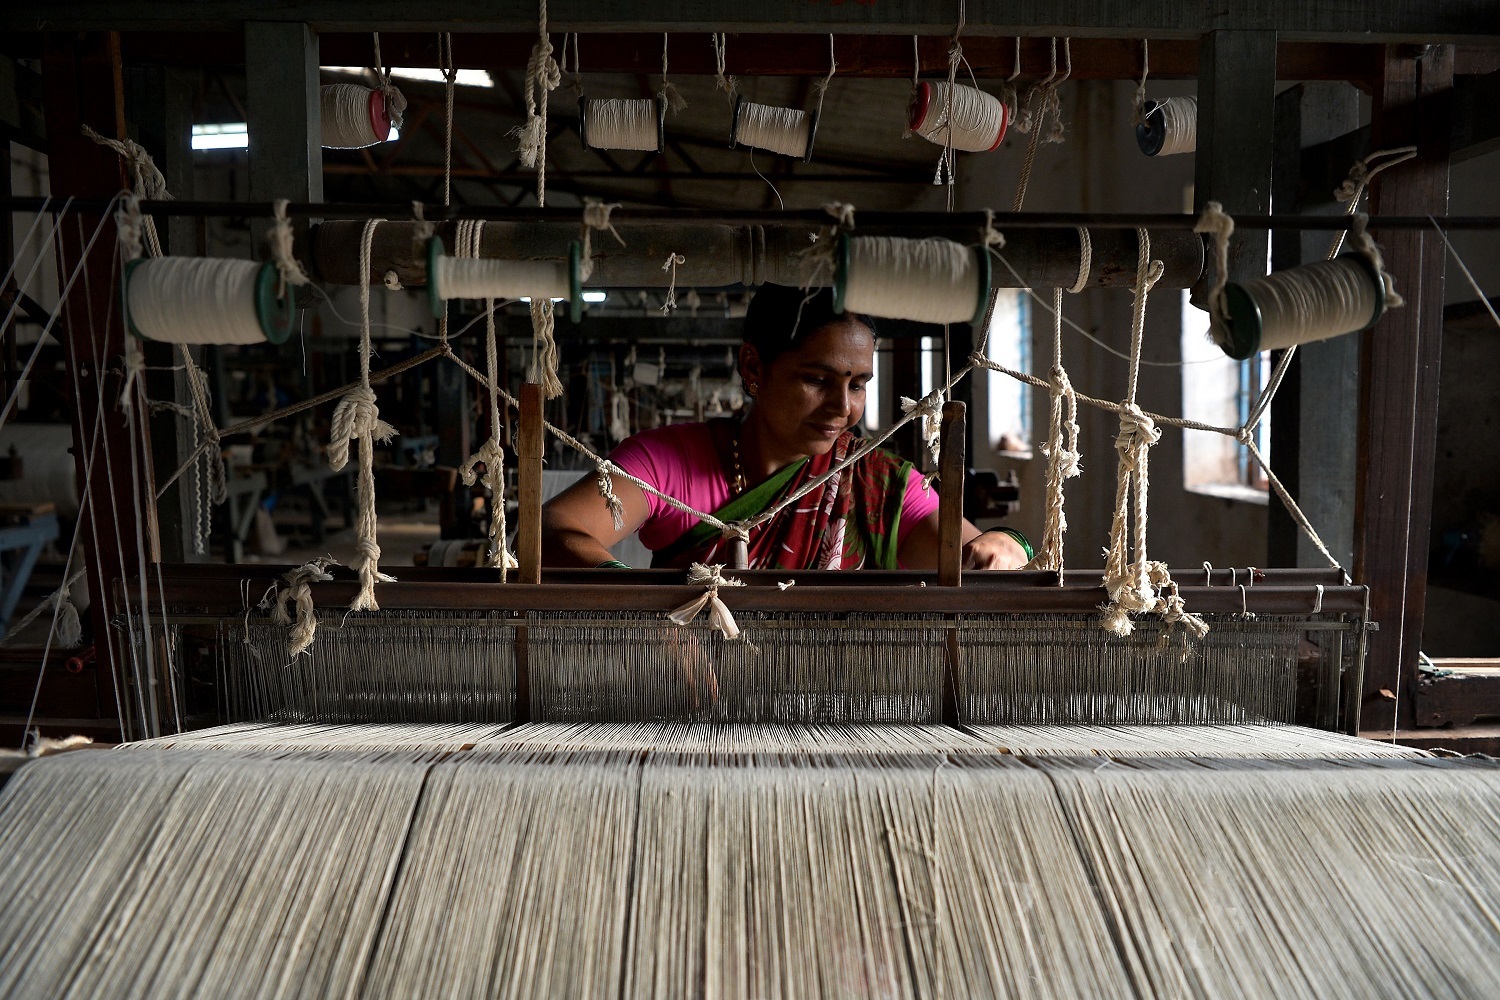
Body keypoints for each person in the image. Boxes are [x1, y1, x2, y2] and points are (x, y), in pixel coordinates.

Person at [542, 284, 1031, 571]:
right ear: (754, 367)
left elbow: (961, 553)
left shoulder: (877, 483)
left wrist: (1007, 545)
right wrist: (644, 611)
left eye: (858, 384)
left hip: (838, 718)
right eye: (817, 379)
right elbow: (553, 529)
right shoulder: (669, 462)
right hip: (689, 696)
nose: (843, 408)